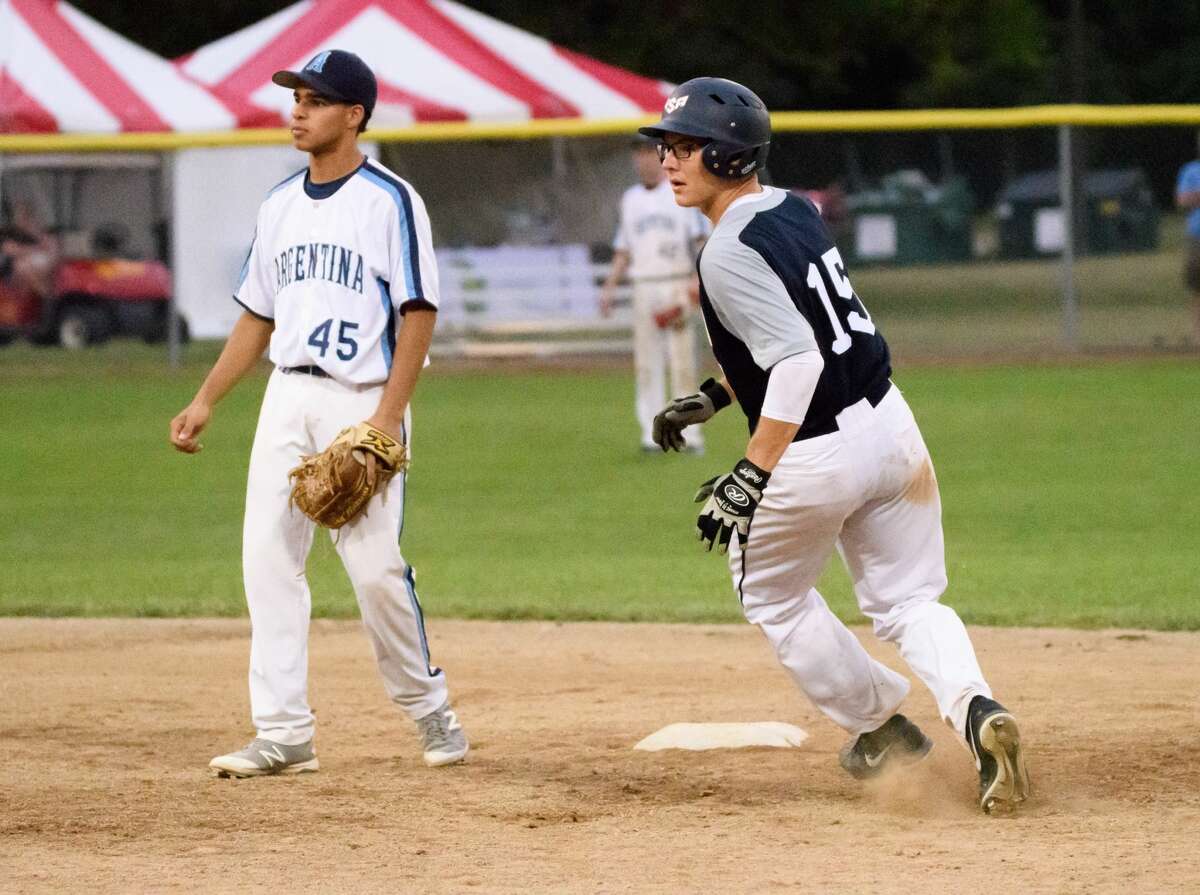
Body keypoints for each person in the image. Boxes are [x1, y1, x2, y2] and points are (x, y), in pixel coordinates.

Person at [643, 78, 1030, 814]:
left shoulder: (724, 252)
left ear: (729, 155)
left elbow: (796, 361)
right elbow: (804, 331)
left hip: (814, 450)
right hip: (889, 426)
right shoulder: (795, 208)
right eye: (668, 146)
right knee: (911, 600)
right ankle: (978, 711)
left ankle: (881, 730)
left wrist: (751, 472)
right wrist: (717, 394)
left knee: (772, 592)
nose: (669, 159)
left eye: (687, 146)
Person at [168, 50, 468, 777]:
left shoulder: (390, 198)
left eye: (316, 100)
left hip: (361, 398)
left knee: (373, 569)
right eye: (296, 97)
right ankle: (283, 731)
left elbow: (419, 312)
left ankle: (429, 706)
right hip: (288, 393)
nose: (298, 110)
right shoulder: (279, 204)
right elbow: (256, 317)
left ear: (355, 114)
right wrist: (207, 396)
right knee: (266, 559)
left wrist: (388, 420)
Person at [600, 135, 710, 453]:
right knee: (646, 363)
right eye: (639, 154)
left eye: (650, 153)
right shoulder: (630, 199)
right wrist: (609, 287)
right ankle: (651, 433)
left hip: (676, 280)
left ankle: (689, 434)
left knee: (682, 362)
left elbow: (699, 240)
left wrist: (696, 278)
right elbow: (623, 249)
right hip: (643, 283)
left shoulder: (679, 190)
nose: (644, 160)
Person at [1174, 132, 1200, 343]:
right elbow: (1182, 201)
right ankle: (1198, 336)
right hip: (1197, 236)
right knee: (1197, 288)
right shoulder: (1191, 170)